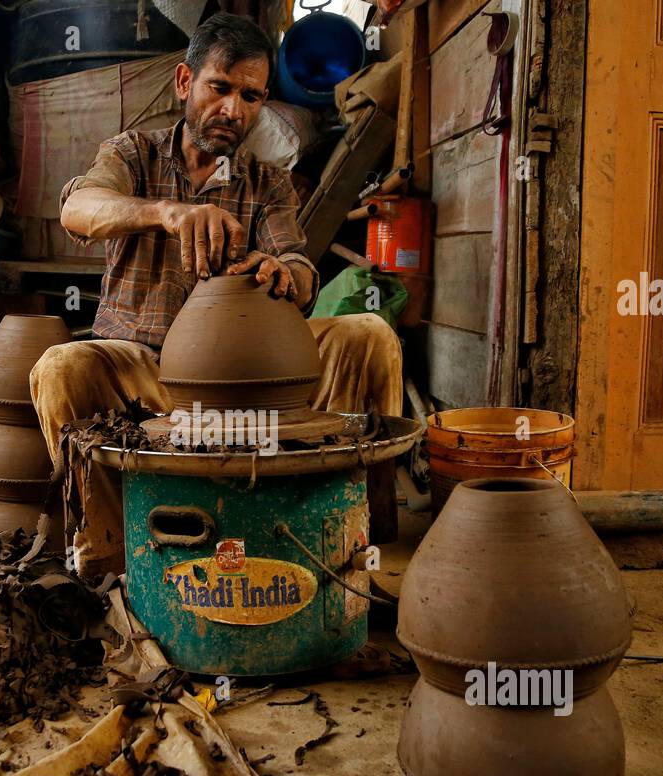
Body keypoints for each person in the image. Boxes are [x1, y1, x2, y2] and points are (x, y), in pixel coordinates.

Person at [32, 12, 402, 578]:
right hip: (144, 377)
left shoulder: (267, 181)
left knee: (368, 334)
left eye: (251, 97)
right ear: (185, 83)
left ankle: (358, 540)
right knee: (62, 365)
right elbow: (78, 208)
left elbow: (299, 265)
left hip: (246, 391)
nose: (234, 110)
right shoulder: (134, 154)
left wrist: (285, 274)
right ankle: (106, 559)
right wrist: (166, 212)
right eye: (220, 88)